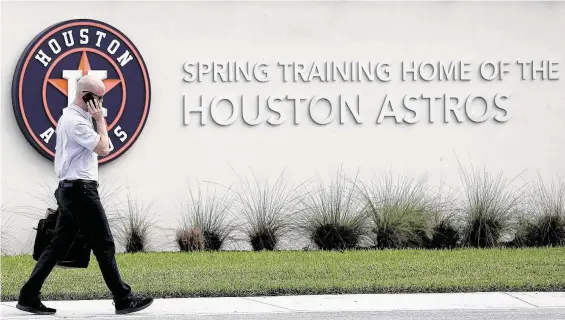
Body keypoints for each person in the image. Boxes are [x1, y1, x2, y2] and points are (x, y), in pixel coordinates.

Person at [17, 74, 153, 315]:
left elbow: (102, 147)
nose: (101, 102)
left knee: (58, 246)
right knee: (104, 244)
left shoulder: (72, 118)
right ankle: (123, 298)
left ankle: (28, 295)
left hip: (70, 190)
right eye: (99, 98)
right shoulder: (76, 122)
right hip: (81, 191)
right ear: (86, 97)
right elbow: (103, 148)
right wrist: (100, 120)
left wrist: (96, 120)